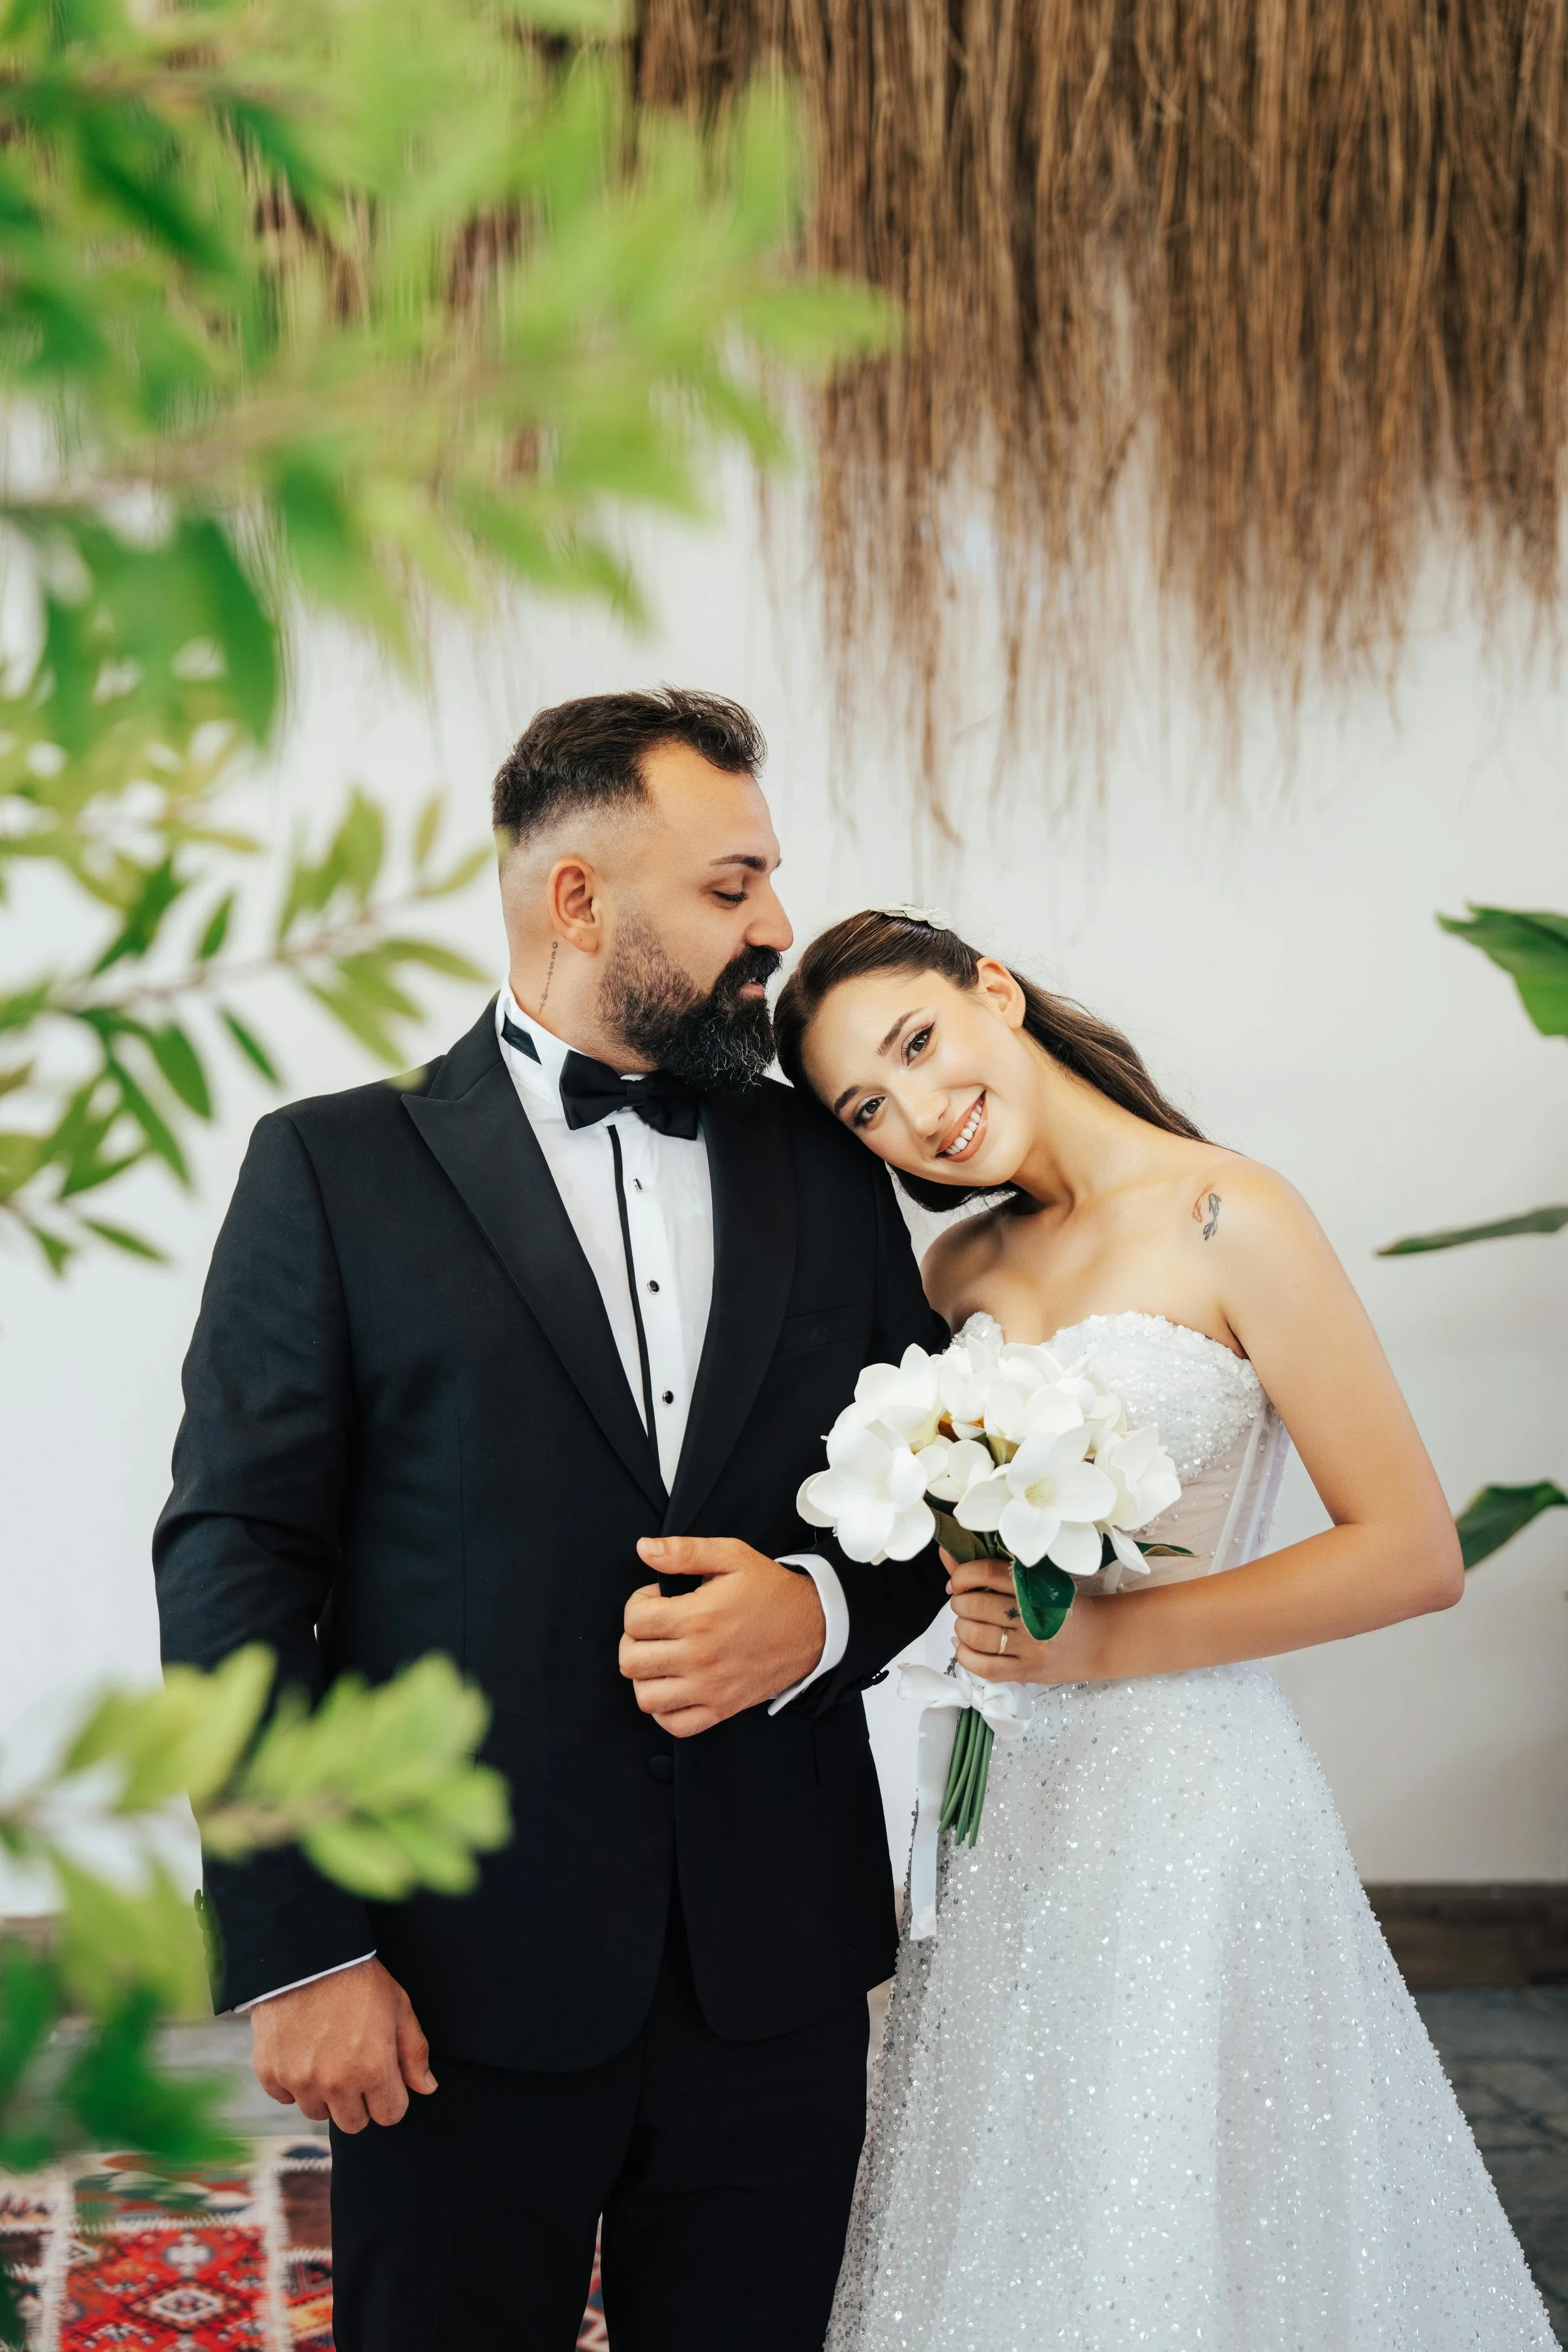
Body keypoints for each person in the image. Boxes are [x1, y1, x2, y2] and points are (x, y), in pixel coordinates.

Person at [153, 695, 950, 2352]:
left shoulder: (827, 1161)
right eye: (731, 884)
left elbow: (922, 1487)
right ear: (576, 899)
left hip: (773, 1972)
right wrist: (296, 1944)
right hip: (448, 1979)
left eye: (770, 880)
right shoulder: (329, 1168)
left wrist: (811, 1610)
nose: (774, 929)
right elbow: (235, 1563)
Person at [773, 908, 1555, 2352]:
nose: (920, 1115)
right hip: (994, 1805)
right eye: (866, 1107)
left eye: (920, 1043)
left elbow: (1410, 1550)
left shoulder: (1228, 1214)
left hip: (1188, 1801)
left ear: (992, 990)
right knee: (1011, 2193)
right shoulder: (957, 1278)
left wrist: (1103, 1648)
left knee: (1193, 2195)